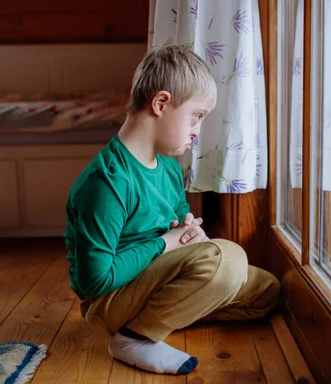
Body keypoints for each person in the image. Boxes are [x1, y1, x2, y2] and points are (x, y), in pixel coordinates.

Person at [64, 45, 281, 376]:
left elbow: (177, 224)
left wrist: (189, 233)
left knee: (265, 291)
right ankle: (134, 338)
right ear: (161, 104)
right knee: (228, 259)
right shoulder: (106, 182)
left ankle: (164, 315)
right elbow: (95, 280)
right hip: (110, 298)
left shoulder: (166, 167)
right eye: (196, 117)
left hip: (155, 278)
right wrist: (167, 243)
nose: (197, 132)